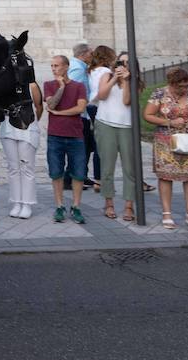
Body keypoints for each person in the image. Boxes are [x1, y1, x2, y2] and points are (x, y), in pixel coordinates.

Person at [144, 67, 188, 230]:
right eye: (179, 86)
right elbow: (148, 115)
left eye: (186, 86)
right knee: (166, 176)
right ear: (171, 84)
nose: (183, 89)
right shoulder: (159, 94)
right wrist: (169, 122)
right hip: (166, 140)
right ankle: (167, 213)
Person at [89, 46, 138, 221]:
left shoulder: (135, 81)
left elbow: (126, 101)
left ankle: (128, 206)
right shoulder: (106, 76)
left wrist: (126, 81)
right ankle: (108, 203)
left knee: (129, 169)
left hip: (126, 126)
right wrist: (114, 78)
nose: (123, 66)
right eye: (120, 62)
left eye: (127, 63)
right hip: (105, 124)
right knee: (107, 167)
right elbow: (101, 96)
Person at [43, 54, 88, 224]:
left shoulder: (79, 86)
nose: (54, 69)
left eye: (57, 65)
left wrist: (60, 113)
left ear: (66, 66)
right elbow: (51, 105)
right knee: (56, 172)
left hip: (76, 136)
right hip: (55, 136)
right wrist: (60, 88)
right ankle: (60, 206)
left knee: (78, 173)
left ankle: (76, 206)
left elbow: (80, 108)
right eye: (52, 66)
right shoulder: (49, 85)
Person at [0, 68, 42, 220]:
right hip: (8, 128)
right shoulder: (5, 86)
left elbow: (38, 107)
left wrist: (31, 123)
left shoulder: (32, 86)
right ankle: (16, 202)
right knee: (13, 167)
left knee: (26, 167)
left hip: (28, 129)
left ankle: (27, 203)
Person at [67, 42, 99, 191]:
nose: (92, 56)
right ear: (83, 54)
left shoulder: (79, 66)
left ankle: (82, 176)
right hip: (80, 114)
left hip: (83, 113)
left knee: (87, 146)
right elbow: (74, 91)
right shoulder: (78, 69)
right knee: (82, 147)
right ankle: (73, 177)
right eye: (90, 53)